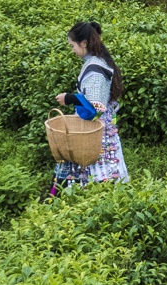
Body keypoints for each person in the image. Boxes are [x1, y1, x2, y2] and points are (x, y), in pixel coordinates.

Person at [50, 20, 129, 192]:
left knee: (97, 167)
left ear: (84, 43)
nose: (72, 50)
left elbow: (96, 107)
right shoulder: (98, 61)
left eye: (72, 46)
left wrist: (69, 98)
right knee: (108, 167)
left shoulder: (95, 69)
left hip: (96, 129)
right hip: (103, 126)